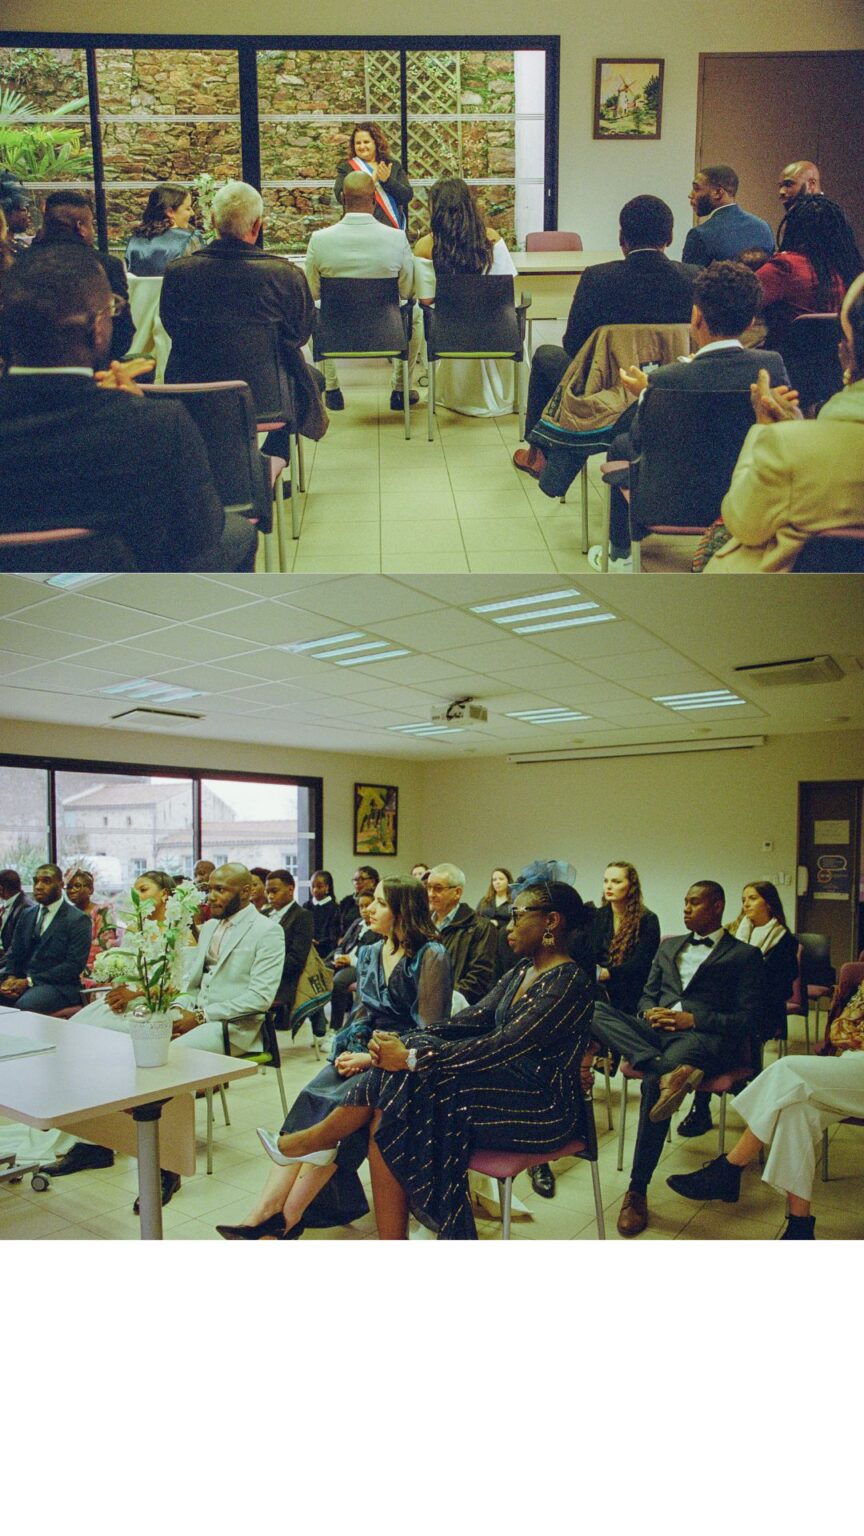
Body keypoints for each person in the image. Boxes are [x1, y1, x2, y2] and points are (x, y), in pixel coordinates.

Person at [255, 879, 595, 1240]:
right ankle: (385, 1227)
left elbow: (500, 1045)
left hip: (542, 1107)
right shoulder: (521, 972)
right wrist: (403, 1044)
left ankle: (315, 1143)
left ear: (551, 922)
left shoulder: (568, 982)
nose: (508, 926)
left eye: (516, 915)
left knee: (402, 1095)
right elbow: (470, 1020)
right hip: (502, 1088)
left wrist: (413, 1057)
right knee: (392, 1100)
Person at [216, 876, 451, 1239]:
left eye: (380, 903)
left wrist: (369, 1059)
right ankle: (271, 1214)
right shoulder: (372, 950)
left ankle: (279, 1218)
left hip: (403, 1061)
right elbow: (362, 1014)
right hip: (364, 1048)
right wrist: (347, 1051)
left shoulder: (430, 955)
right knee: (316, 1094)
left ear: (405, 910)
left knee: (344, 1112)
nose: (369, 908)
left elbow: (429, 1032)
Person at [0, 244, 258, 573]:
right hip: (126, 599)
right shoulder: (158, 425)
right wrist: (135, 409)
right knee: (238, 533)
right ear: (96, 329)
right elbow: (200, 534)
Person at [590, 260, 790, 570]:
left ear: (696, 316)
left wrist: (646, 394)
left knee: (621, 445)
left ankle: (620, 554)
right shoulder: (771, 367)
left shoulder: (666, 379)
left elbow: (643, 441)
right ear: (751, 322)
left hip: (672, 505)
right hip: (749, 499)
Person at [591, 880, 764, 1236]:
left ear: (717, 906)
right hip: (655, 1034)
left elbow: (749, 1020)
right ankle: (665, 1069)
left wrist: (693, 1019)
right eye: (685, 902)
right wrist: (648, 1014)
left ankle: (636, 1190)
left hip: (699, 1036)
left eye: (695, 903)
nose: (686, 908)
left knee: (657, 1082)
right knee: (592, 1009)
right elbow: (645, 996)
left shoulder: (744, 955)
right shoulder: (668, 948)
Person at [514, 195, 698, 480]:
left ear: (622, 238)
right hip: (676, 390)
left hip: (603, 391)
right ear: (671, 237)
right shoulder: (694, 278)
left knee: (544, 356)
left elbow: (572, 344)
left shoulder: (598, 278)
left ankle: (537, 455)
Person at [667, 981, 864, 1237]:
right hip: (852, 1061)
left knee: (788, 1070)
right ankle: (799, 1227)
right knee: (796, 1110)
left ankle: (729, 1168)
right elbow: (843, 1026)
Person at [704, 270, 864, 572]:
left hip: (784, 610)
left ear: (848, 352)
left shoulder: (788, 447)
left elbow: (743, 522)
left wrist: (765, 430)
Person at [160, 179, 327, 453]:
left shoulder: (179, 273)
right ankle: (272, 460)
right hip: (267, 397)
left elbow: (173, 327)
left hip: (193, 393)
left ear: (214, 221)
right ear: (257, 225)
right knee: (311, 380)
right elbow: (299, 335)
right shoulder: (285, 276)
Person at [678, 879, 798, 1137]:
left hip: (762, 1010)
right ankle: (704, 1105)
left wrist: (749, 983)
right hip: (725, 1007)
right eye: (743, 899)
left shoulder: (784, 940)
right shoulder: (733, 931)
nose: (746, 904)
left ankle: (737, 1095)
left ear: (769, 902)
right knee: (708, 1028)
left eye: (752, 898)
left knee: (722, 1029)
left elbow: (783, 989)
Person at [305, 170, 419, 413]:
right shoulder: (396, 239)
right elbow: (408, 291)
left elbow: (313, 293)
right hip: (386, 330)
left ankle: (332, 388)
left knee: (312, 310)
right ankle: (400, 389)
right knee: (415, 313)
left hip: (336, 332)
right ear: (375, 198)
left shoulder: (319, 240)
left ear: (343, 198)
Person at [413, 176, 519, 417]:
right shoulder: (492, 239)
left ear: (435, 208)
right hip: (496, 330)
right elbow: (505, 288)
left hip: (451, 332)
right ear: (469, 205)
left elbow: (426, 300)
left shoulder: (426, 246)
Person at [168, 863, 285, 1054]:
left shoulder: (267, 931)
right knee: (146, 1037)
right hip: (198, 1015)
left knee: (174, 1052)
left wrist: (201, 1017)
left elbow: (260, 997)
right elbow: (193, 981)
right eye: (209, 889)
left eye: (220, 889)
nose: (211, 897)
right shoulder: (209, 927)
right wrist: (179, 1009)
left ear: (246, 892)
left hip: (235, 1028)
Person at [755, 194, 862, 351]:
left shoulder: (785, 267)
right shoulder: (850, 269)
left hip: (786, 366)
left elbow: (738, 302)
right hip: (839, 366)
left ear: (794, 228)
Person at [35, 190, 134, 359]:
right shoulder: (105, 266)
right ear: (81, 227)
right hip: (94, 370)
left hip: (28, 369)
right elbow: (121, 330)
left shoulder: (19, 263)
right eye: (91, 224)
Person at [0, 862, 91, 1013]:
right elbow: (14, 952)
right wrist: (10, 977)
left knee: (25, 1006)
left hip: (59, 986)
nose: (38, 886)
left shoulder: (78, 920)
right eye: (36, 881)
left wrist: (29, 981)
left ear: (61, 884)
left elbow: (73, 966)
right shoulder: (27, 914)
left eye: (46, 881)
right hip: (22, 978)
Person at [425, 862, 500, 1005]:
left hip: (457, 1009)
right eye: (428, 888)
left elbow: (479, 977)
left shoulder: (480, 927)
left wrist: (442, 1000)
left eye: (438, 889)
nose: (431, 894)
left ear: (457, 892)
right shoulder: (422, 925)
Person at [681, 165, 774, 267]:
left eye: (696, 189)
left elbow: (689, 280)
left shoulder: (700, 235)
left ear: (717, 193)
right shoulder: (763, 227)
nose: (690, 195)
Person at [333, 122, 413, 232]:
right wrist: (371, 182)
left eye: (366, 142)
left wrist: (387, 181)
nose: (362, 146)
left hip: (389, 229)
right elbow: (340, 197)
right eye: (357, 143)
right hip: (358, 229)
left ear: (376, 143)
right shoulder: (346, 168)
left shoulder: (392, 165)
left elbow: (406, 196)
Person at [264, 868, 314, 1018]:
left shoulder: (302, 916)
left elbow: (296, 960)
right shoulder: (263, 914)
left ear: (290, 889)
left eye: (274, 891)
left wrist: (265, 967)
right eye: (267, 892)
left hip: (284, 979)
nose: (270, 896)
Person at [328, 889, 378, 1033]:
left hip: (358, 965)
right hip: (342, 961)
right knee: (316, 972)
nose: (363, 910)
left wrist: (349, 960)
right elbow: (342, 944)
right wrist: (338, 957)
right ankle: (317, 1022)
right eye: (360, 906)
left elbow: (373, 956)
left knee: (339, 981)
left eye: (367, 906)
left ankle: (335, 1028)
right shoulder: (357, 923)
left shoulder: (378, 929)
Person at [124, 183, 201, 275]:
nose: (192, 213)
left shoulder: (134, 239)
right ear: (170, 212)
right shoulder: (189, 239)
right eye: (188, 208)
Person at [64, 867, 118, 983]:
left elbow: (104, 947)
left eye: (77, 886)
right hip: (68, 968)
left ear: (90, 889)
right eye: (68, 887)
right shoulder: (65, 914)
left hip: (95, 968)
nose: (71, 890)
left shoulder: (102, 912)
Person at [304, 869, 341, 960]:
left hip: (325, 951)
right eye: (312, 887)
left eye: (319, 887)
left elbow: (334, 933)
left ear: (327, 887)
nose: (315, 890)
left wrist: (319, 942)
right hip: (306, 948)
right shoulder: (306, 906)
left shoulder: (335, 908)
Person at [0, 869, 34, 960]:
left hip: (15, 963)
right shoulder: (9, 905)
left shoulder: (25, 908)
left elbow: (18, 949)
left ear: (1, 889)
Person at [337, 864, 379, 929]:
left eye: (362, 879)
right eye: (355, 880)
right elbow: (336, 922)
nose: (357, 882)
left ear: (373, 881)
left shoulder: (378, 900)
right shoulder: (347, 901)